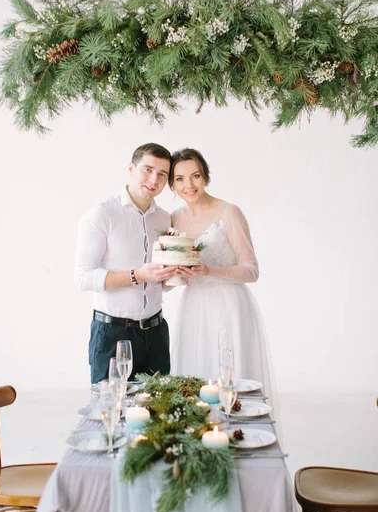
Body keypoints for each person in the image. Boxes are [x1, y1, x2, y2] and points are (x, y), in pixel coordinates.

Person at [169, 148, 275, 399]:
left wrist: (209, 270)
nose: (189, 185)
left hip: (229, 307)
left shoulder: (229, 212)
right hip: (194, 308)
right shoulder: (173, 219)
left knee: (231, 378)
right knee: (196, 381)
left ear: (205, 176)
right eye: (180, 179)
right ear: (172, 184)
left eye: (195, 176)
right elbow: (175, 275)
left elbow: (251, 270)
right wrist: (176, 274)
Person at [75, 143, 176, 384]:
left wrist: (174, 276)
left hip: (157, 333)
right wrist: (137, 275)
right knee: (111, 414)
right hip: (113, 335)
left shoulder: (164, 218)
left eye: (162, 174)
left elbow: (160, 283)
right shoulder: (102, 213)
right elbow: (83, 277)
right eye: (147, 169)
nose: (154, 179)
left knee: (158, 417)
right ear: (131, 168)